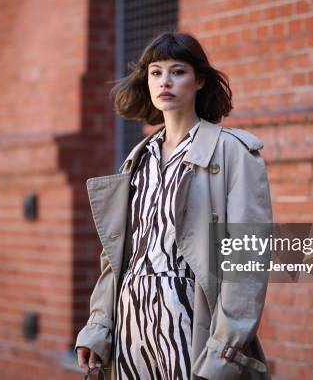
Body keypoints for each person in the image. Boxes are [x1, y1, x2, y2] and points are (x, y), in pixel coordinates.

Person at [75, 31, 273, 380]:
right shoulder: (138, 161)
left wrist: (222, 354)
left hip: (191, 326)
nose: (165, 81)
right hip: (131, 330)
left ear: (199, 81)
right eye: (155, 72)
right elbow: (117, 256)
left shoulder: (232, 153)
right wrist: (99, 327)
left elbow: (247, 260)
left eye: (178, 71)